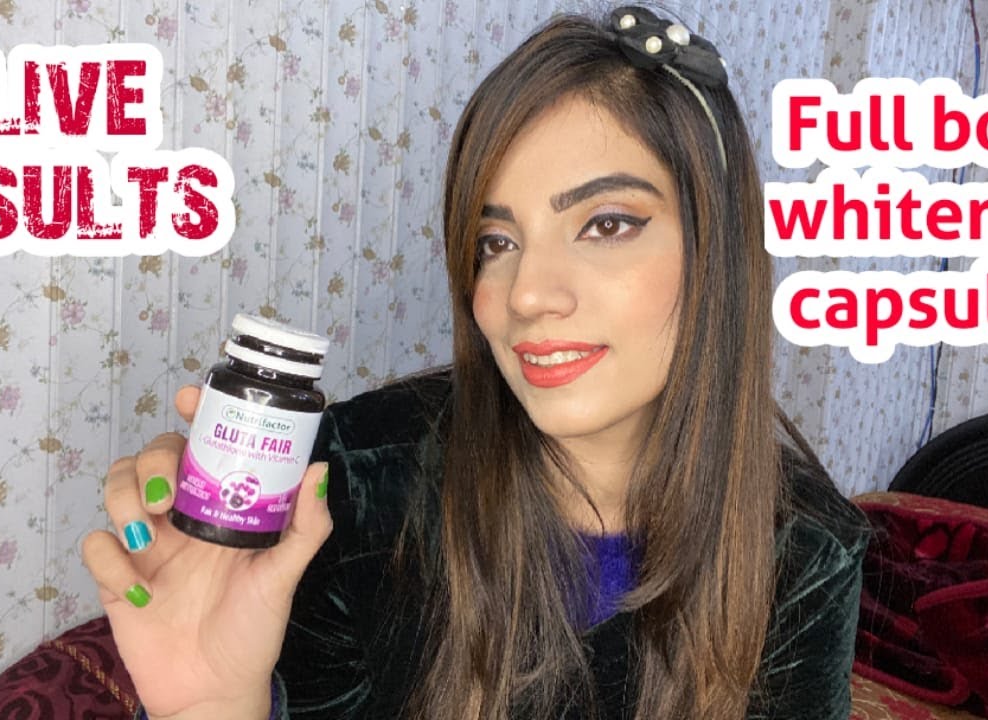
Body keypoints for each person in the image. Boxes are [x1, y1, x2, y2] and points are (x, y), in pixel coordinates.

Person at [82, 7, 870, 719]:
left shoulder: (803, 551)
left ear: (717, 253)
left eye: (605, 224)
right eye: (496, 241)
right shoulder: (353, 485)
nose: (525, 294)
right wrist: (214, 704)